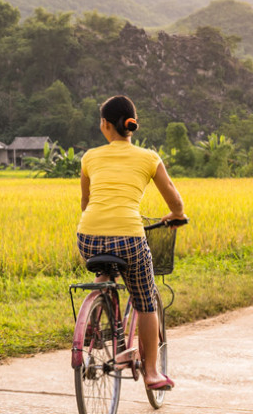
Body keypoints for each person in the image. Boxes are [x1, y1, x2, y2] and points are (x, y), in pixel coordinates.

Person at [77, 95, 186, 391]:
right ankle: (151, 372)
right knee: (145, 299)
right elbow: (175, 201)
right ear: (131, 126)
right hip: (129, 237)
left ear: (105, 125)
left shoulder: (89, 158)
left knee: (104, 266)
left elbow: (86, 203)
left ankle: (94, 320)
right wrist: (176, 215)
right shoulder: (149, 158)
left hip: (87, 238)